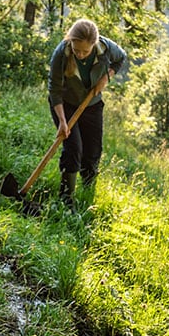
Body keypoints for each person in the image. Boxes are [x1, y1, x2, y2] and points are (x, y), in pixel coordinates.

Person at [48, 18, 128, 207]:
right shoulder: (62, 53)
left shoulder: (106, 48)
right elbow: (54, 90)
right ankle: (66, 199)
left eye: (86, 51)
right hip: (65, 106)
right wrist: (61, 121)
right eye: (77, 50)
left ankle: (88, 193)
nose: (81, 55)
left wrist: (107, 77)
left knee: (93, 150)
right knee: (73, 148)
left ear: (94, 44)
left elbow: (121, 58)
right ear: (71, 42)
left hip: (92, 105)